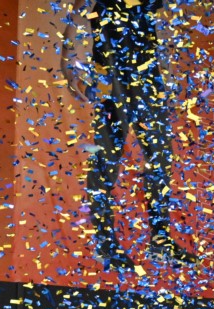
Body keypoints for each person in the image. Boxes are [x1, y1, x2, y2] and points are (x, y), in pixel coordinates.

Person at [60, 0, 193, 268]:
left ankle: (160, 241)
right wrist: (68, 66)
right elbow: (75, 16)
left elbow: (155, 23)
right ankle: (105, 245)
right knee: (106, 163)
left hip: (148, 80)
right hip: (112, 81)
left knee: (160, 160)